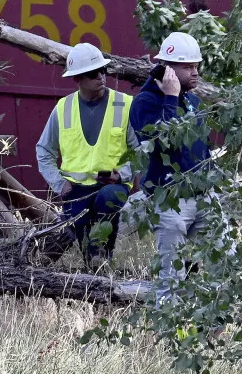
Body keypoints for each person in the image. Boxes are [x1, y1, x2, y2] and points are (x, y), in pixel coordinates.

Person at [36, 42, 139, 266]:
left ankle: (101, 255)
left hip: (112, 185)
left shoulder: (125, 104)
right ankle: (54, 262)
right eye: (93, 73)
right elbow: (44, 150)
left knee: (109, 199)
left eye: (103, 70)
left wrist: (121, 175)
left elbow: (139, 150)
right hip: (76, 189)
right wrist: (59, 184)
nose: (100, 77)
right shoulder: (63, 108)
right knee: (72, 230)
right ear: (77, 79)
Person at [129, 31, 214, 299]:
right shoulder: (145, 103)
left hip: (203, 195)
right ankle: (167, 339)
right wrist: (169, 98)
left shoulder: (192, 100)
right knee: (171, 277)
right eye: (188, 67)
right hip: (169, 200)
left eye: (196, 66)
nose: (195, 72)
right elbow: (161, 143)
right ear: (168, 68)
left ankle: (216, 328)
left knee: (226, 260)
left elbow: (201, 147)